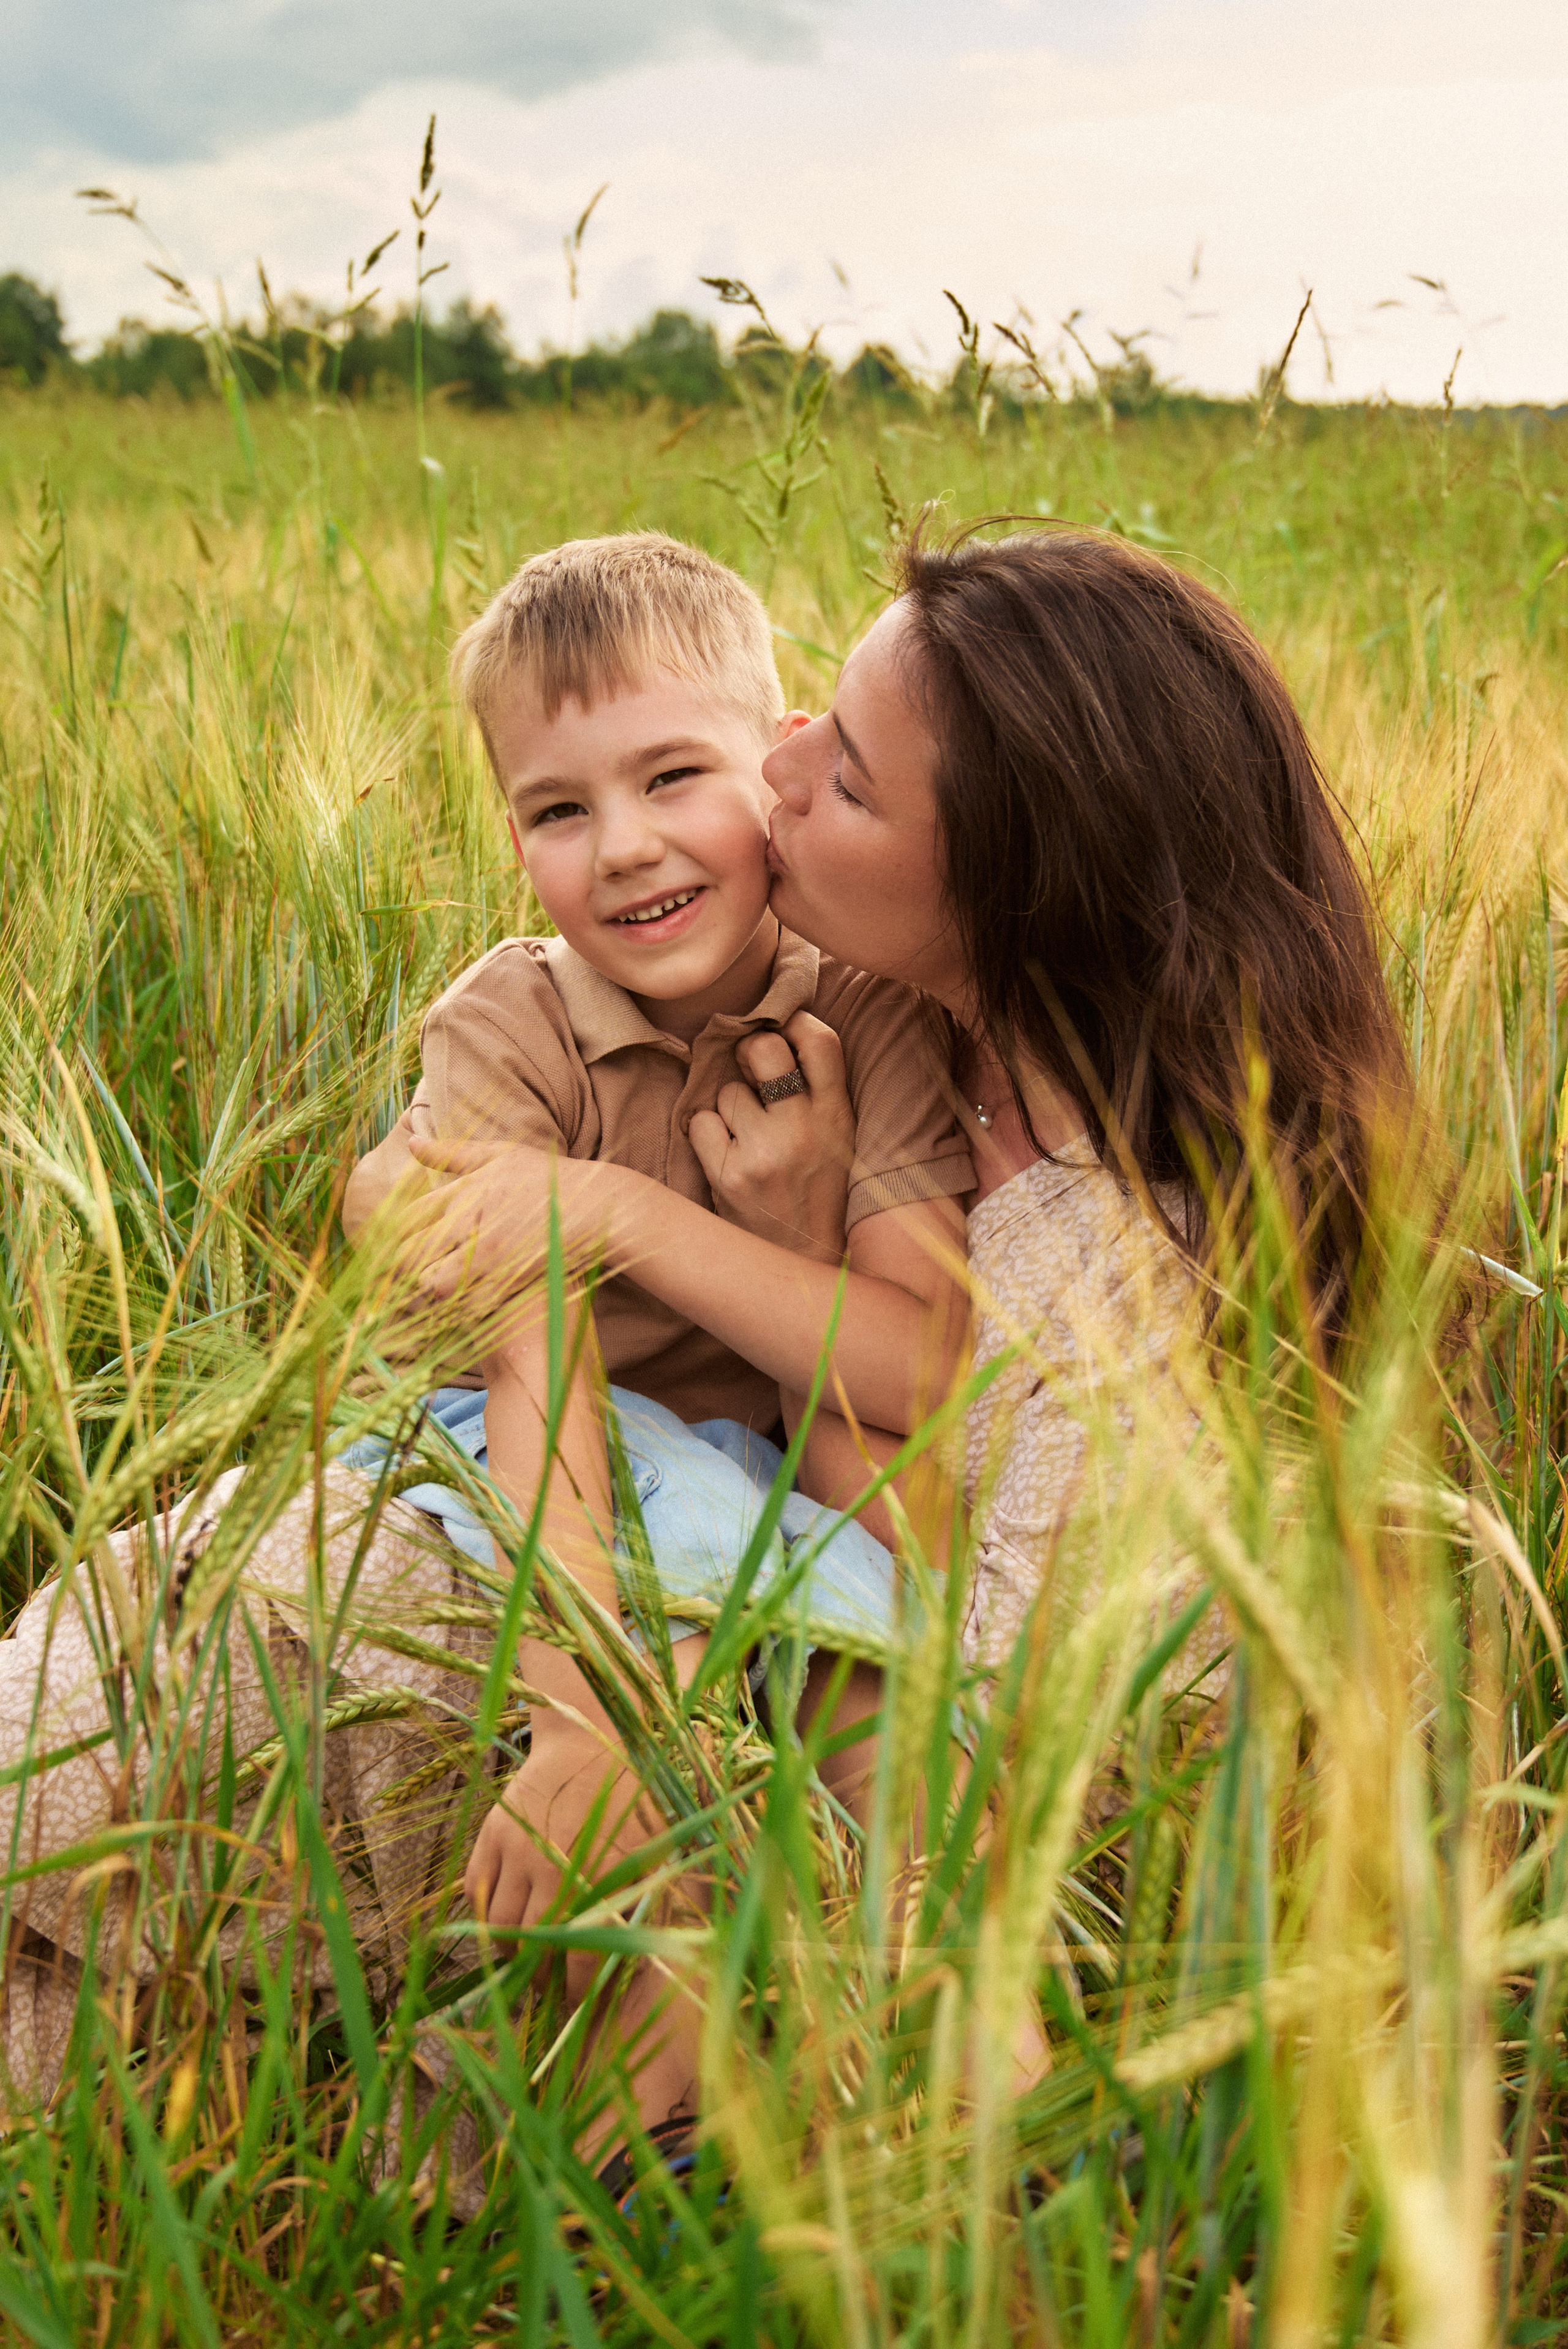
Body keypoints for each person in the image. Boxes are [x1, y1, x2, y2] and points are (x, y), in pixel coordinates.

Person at [398, 522, 1411, 1681]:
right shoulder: (548, 1016)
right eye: (558, 811)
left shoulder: (1082, 1223)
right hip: (513, 1489)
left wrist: (648, 1216)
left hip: (766, 1543)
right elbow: (499, 1310)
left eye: (846, 777)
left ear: (1002, 875)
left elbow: (939, 1556)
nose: (779, 768)